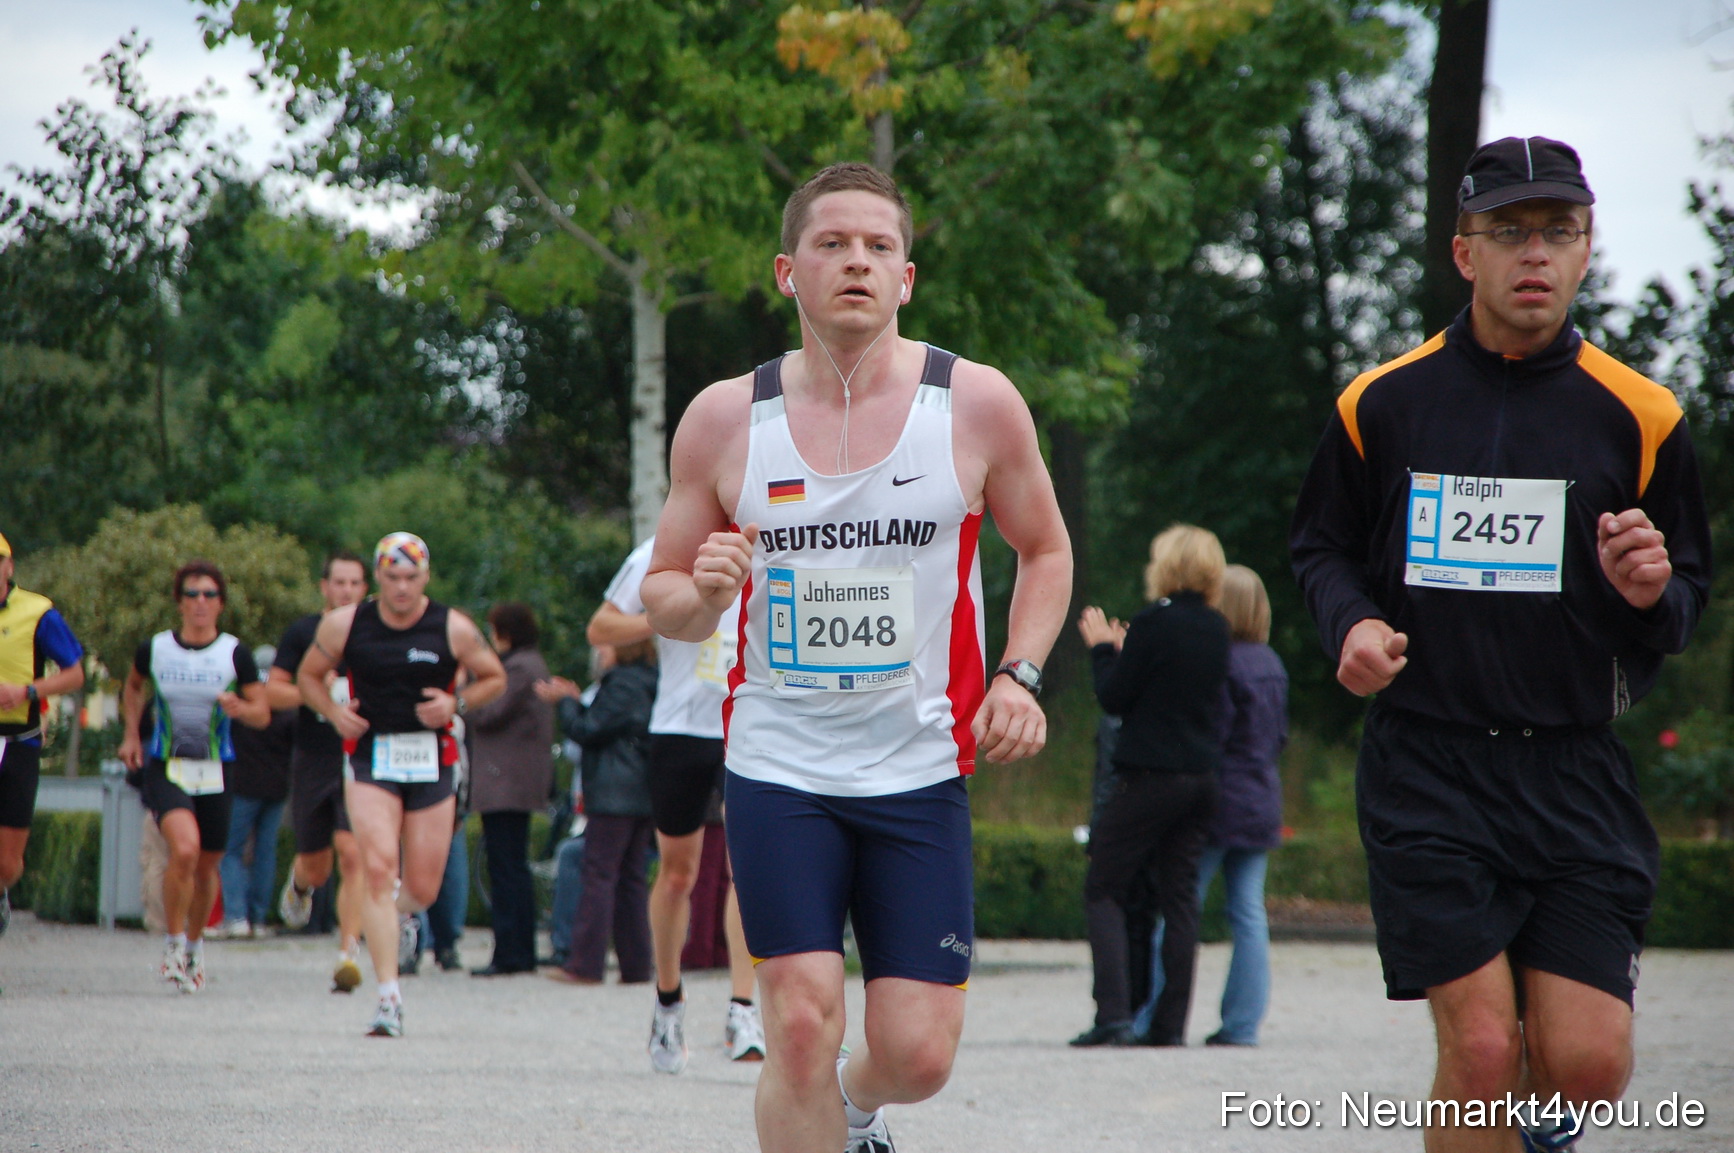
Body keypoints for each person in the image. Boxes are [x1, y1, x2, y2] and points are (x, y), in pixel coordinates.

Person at [1290, 137, 1711, 1153]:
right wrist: (1349, 624)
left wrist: (1652, 590)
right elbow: (1322, 545)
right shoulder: (1381, 402)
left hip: (1573, 767)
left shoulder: (1643, 416)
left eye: (1558, 233)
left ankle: (1535, 1125)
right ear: (1463, 252)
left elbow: (1689, 593)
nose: (1536, 254)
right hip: (1429, 762)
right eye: (1510, 233)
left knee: (1589, 1064)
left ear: (1585, 249)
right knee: (1479, 1050)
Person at [642, 162, 1070, 1153]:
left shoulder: (974, 404)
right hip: (778, 763)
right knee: (794, 1019)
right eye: (833, 244)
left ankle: (855, 1103)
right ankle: (815, 1101)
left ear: (907, 278)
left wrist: (1021, 673)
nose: (857, 263)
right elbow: (663, 598)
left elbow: (1045, 549)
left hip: (919, 766)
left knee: (918, 1053)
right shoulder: (722, 418)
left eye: (879, 247)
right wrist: (704, 593)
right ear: (789, 272)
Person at [296, 532, 506, 1037]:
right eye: (393, 578)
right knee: (378, 869)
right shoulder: (345, 624)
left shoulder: (452, 627)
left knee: (421, 887)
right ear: (378, 578)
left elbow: (494, 677)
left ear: (426, 577)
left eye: (412, 578)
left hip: (432, 759)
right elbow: (307, 676)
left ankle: (397, 920)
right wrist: (332, 712)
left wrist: (454, 705)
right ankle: (388, 997)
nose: (403, 588)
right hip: (371, 756)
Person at [587, 537, 764, 1069]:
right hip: (681, 729)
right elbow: (601, 628)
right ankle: (668, 1000)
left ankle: (743, 1009)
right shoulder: (664, 549)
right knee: (679, 874)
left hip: (752, 727)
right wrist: (668, 616)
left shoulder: (780, 528)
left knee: (748, 872)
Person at [1072, 524, 1229, 1048]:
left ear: (1165, 567)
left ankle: (1113, 1013)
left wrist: (1103, 649)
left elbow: (1116, 698)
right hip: (1202, 777)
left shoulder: (1153, 623)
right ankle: (1169, 1025)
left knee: (1104, 886)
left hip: (1150, 777)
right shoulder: (1215, 627)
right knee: (1180, 898)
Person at [118, 560, 271, 992]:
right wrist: (132, 734)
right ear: (179, 602)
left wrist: (244, 709)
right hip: (167, 766)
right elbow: (133, 686)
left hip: (217, 768)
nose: (200, 602)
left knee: (207, 867)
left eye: (208, 594)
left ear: (220, 603)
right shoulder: (156, 649)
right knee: (183, 850)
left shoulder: (235, 653)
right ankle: (171, 943)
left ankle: (194, 946)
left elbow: (262, 711)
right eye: (191, 594)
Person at [1189, 563, 1287, 1047]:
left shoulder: (1221, 662)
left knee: (1181, 904)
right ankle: (1243, 1022)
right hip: (1262, 793)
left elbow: (1214, 734)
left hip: (1220, 797)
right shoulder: (1272, 663)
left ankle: (1154, 1011)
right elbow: (1280, 735)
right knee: (1249, 911)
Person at [273, 552, 371, 993]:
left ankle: (347, 953)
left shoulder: (377, 634)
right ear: (324, 587)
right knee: (318, 866)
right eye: (339, 583)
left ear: (366, 589)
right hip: (314, 756)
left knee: (353, 855)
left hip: (361, 756)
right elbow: (272, 692)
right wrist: (318, 693)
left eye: (355, 583)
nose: (347, 591)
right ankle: (299, 883)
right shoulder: (302, 633)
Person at [537, 635, 656, 985]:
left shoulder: (623, 683)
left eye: (605, 644)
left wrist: (567, 703)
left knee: (599, 874)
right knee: (631, 878)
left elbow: (587, 730)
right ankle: (636, 965)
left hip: (614, 792)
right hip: (640, 792)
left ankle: (585, 964)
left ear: (624, 647)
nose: (598, 652)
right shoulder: (649, 680)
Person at [0, 531, 87, 937]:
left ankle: (3, 889)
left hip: (20, 740)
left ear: (9, 567)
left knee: (7, 861)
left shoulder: (38, 613)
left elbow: (75, 672)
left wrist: (28, 691)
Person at [466, 602, 555, 977]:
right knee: (511, 867)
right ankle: (521, 951)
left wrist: (465, 690)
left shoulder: (517, 668)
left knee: (505, 870)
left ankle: (510, 953)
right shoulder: (531, 664)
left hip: (506, 782)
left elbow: (487, 713)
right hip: (515, 783)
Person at [214, 647, 294, 939]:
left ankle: (236, 916)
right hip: (277, 787)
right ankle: (259, 918)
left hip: (243, 785)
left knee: (231, 851)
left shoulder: (242, 699)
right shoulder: (286, 704)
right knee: (265, 852)